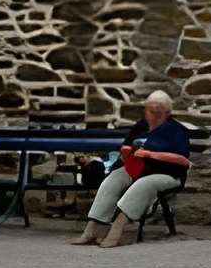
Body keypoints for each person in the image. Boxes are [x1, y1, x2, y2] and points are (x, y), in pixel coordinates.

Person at [74, 91, 191, 246]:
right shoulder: (140, 126)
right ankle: (93, 229)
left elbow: (183, 161)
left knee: (143, 184)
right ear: (146, 110)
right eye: (152, 110)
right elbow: (127, 148)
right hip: (138, 169)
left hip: (168, 174)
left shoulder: (176, 130)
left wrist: (151, 154)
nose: (155, 114)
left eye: (159, 111)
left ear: (168, 112)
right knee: (113, 179)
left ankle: (117, 230)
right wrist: (126, 153)